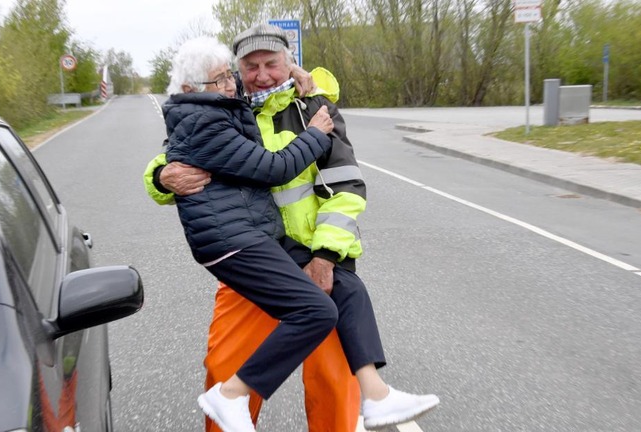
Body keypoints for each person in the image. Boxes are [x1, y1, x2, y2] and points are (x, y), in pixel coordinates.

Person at [146, 25, 439, 432]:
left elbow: (347, 190)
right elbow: (175, 154)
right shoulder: (224, 104)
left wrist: (325, 257)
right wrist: (162, 177)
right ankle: (232, 402)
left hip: (315, 260)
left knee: (334, 385)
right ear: (236, 70)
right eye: (251, 66)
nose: (262, 74)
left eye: (272, 64)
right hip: (255, 260)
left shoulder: (314, 109)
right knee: (223, 367)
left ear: (289, 64)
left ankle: (375, 397)